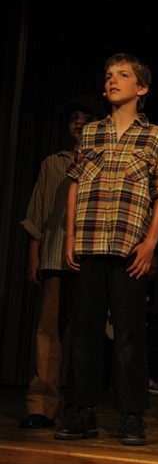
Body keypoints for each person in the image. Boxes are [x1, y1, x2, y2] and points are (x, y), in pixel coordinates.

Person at [53, 52, 158, 445]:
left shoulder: (153, 135)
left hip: (129, 247)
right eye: (108, 75)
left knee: (129, 333)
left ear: (141, 88)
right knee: (84, 329)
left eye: (122, 75)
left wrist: (151, 242)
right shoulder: (91, 133)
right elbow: (74, 183)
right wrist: (70, 236)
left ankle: (131, 415)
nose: (112, 80)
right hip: (89, 243)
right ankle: (82, 411)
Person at [19, 95, 106, 429]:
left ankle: (79, 406)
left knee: (84, 332)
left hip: (90, 254)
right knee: (49, 330)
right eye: (74, 118)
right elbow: (39, 210)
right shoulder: (53, 163)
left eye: (86, 118)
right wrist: (34, 251)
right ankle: (42, 405)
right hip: (55, 254)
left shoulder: (105, 158)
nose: (79, 123)